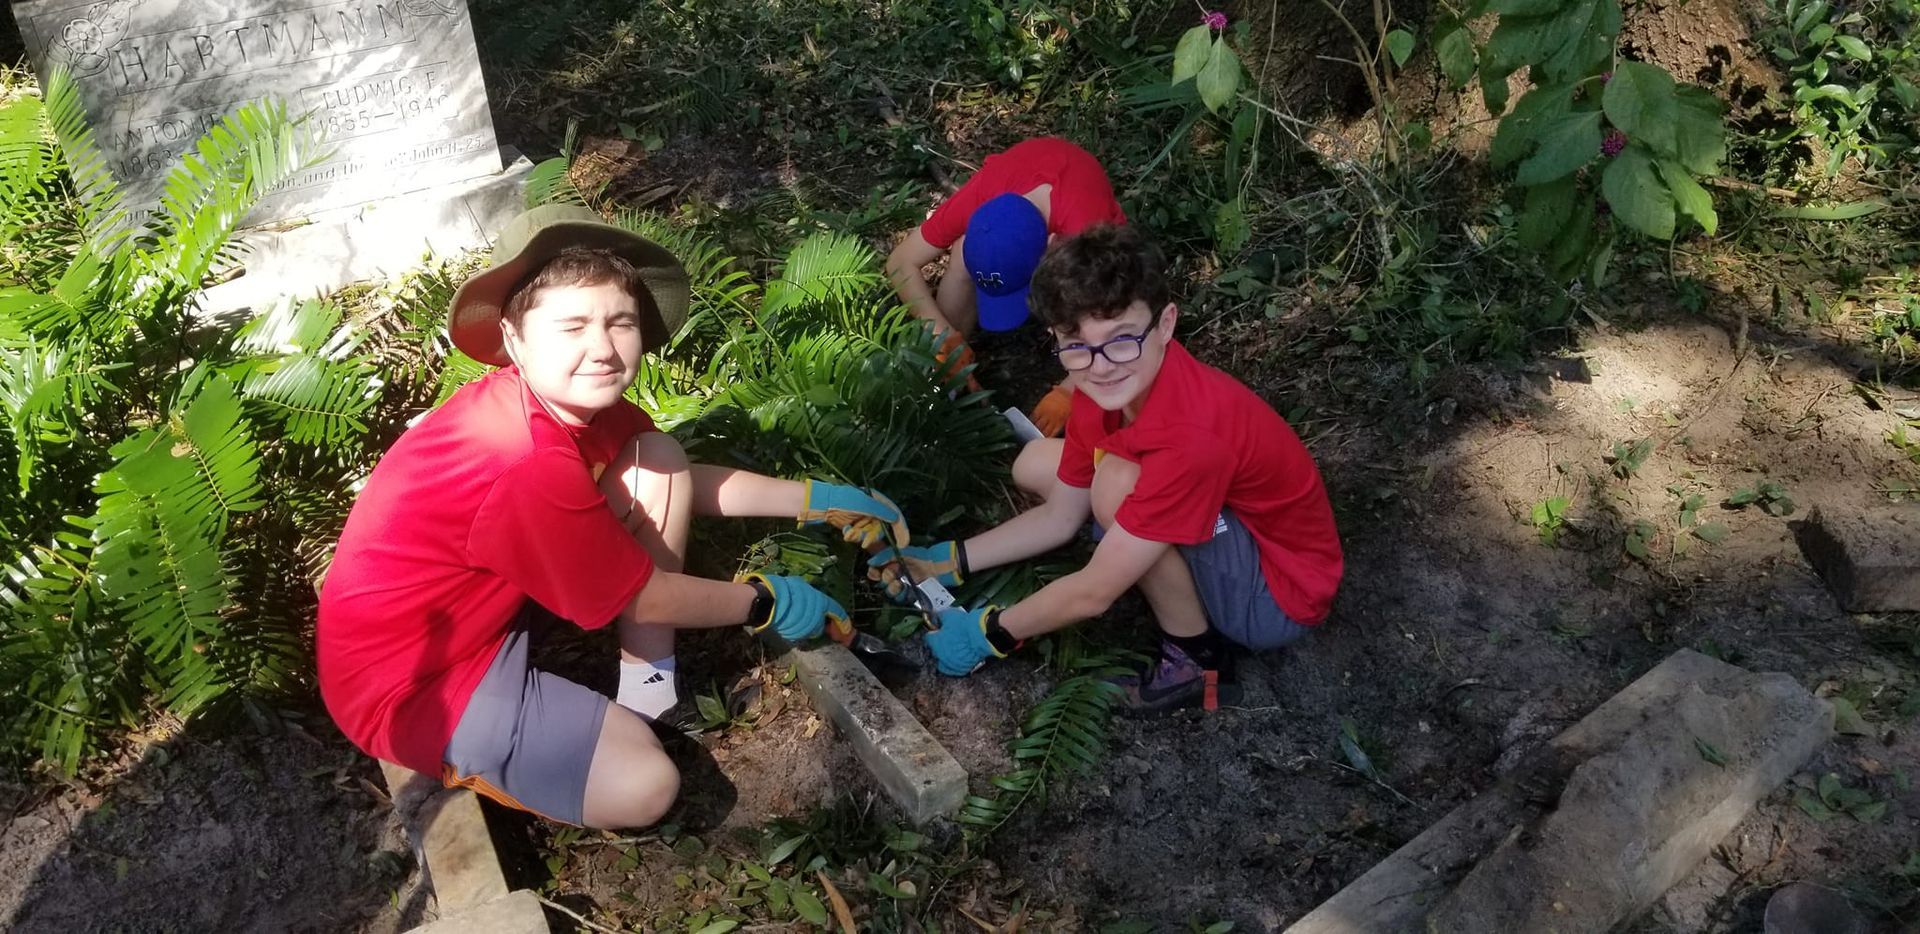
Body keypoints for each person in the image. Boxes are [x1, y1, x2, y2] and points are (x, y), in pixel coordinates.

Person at [317, 205, 903, 829]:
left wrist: (820, 498)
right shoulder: (519, 458)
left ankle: (649, 689)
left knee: (660, 457)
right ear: (514, 338)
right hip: (412, 683)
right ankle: (474, 762)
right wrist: (766, 599)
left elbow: (681, 481)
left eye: (620, 322)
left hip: (482, 614)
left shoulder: (573, 403)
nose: (602, 348)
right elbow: (649, 598)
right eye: (572, 326)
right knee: (645, 787)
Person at [871, 225, 1343, 713]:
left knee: (1116, 488)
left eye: (1121, 339)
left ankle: (1198, 661)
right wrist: (948, 560)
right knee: (1054, 470)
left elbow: (1094, 594)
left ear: (1165, 324)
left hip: (1276, 596)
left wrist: (988, 633)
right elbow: (1061, 514)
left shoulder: (1191, 437)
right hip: (1236, 527)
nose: (1100, 366)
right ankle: (1146, 553)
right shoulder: (1106, 388)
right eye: (1076, 344)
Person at [884, 137, 1127, 435]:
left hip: (1080, 222)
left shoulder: (1088, 236)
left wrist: (1069, 391)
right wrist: (942, 334)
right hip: (1021, 181)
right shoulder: (979, 202)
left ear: (1052, 248)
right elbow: (900, 262)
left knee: (1089, 306)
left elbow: (1123, 323)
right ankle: (945, 370)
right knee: (961, 257)